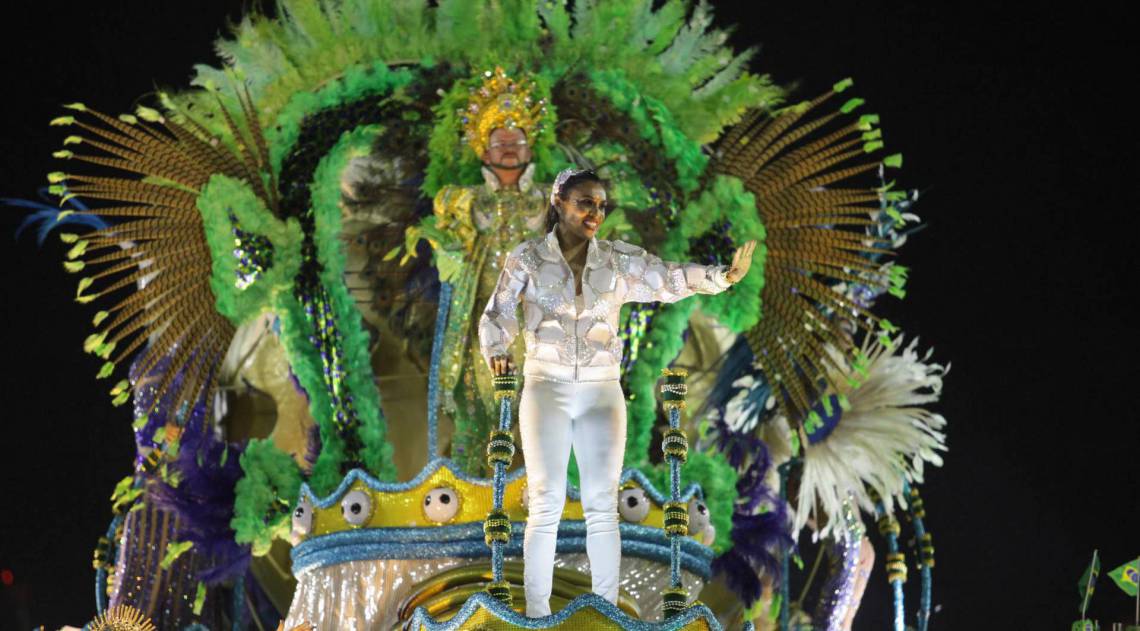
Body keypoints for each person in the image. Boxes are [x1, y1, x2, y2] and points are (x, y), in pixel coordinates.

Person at [478, 168, 757, 617]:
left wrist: (722, 276)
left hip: (601, 391)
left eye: (602, 206)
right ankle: (535, 616)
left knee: (601, 505)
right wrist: (496, 350)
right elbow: (499, 312)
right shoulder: (527, 258)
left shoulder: (617, 261)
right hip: (545, 387)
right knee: (545, 501)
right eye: (585, 202)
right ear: (559, 202)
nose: (595, 213)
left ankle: (605, 614)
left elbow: (667, 279)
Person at [409, 67, 551, 474]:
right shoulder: (462, 203)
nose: (509, 147)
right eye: (499, 141)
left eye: (517, 140)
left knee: (537, 412)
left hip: (538, 325)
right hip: (481, 323)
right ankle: (478, 491)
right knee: (480, 408)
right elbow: (449, 258)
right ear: (483, 151)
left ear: (528, 149)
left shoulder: (551, 200)